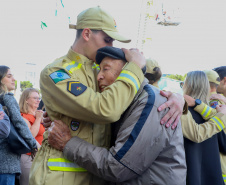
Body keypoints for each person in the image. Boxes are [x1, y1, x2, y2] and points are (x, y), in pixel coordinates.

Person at [29, 6, 185, 185]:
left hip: (98, 175)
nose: (112, 47)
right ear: (86, 34)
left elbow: (146, 88)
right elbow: (105, 109)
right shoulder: (57, 71)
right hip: (60, 178)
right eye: (107, 39)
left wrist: (176, 98)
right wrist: (134, 67)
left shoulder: (101, 70)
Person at [48, 46, 187, 185]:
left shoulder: (151, 104)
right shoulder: (125, 103)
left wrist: (67, 143)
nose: (99, 76)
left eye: (106, 69)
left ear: (128, 70)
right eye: (99, 70)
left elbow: (118, 167)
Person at [182, 71, 225, 185]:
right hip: (213, 176)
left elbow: (196, 134)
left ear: (188, 85)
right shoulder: (215, 111)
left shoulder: (183, 110)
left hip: (192, 174)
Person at [0, 65, 37, 185]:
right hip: (7, 159)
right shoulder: (8, 98)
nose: (13, 79)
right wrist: (33, 144)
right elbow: (19, 123)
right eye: (9, 76)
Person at [19, 88, 45, 185]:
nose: (38, 100)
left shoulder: (38, 116)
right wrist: (38, 119)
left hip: (40, 156)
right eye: (35, 98)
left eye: (39, 98)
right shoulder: (23, 116)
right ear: (26, 100)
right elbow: (30, 135)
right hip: (28, 157)